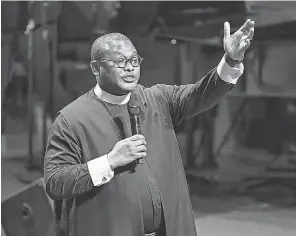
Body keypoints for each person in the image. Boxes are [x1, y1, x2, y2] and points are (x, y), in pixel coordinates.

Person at [44, 19, 255, 236]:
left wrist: (231, 59)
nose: (129, 68)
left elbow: (202, 94)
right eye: (119, 62)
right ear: (96, 68)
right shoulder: (72, 119)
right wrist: (109, 161)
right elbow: (55, 182)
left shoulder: (157, 99)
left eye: (134, 60)